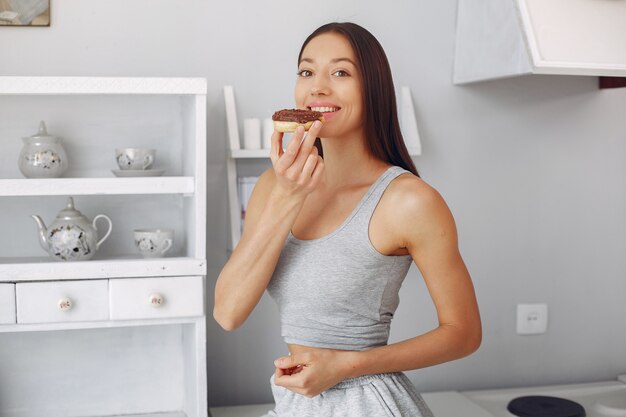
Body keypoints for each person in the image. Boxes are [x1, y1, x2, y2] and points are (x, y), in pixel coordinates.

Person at [214, 22, 481, 417]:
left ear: (372, 89)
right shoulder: (276, 186)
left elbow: (464, 334)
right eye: (307, 71)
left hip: (368, 403)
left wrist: (345, 366)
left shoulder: (409, 201)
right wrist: (288, 197)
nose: (317, 87)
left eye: (340, 72)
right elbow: (228, 313)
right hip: (297, 404)